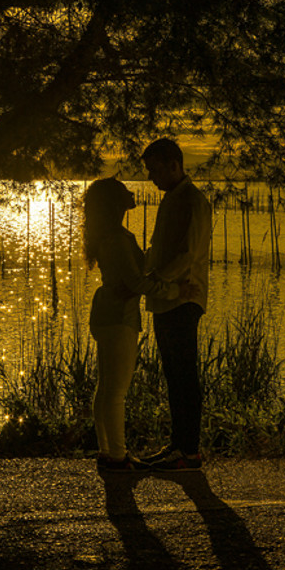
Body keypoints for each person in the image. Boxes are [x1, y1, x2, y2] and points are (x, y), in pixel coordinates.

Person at [83, 177, 197, 473]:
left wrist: (159, 258)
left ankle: (107, 451)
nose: (130, 192)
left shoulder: (113, 235)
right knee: (116, 391)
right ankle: (119, 458)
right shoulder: (117, 238)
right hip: (119, 317)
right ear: (114, 202)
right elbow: (135, 281)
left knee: (105, 387)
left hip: (107, 313)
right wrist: (176, 291)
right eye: (123, 190)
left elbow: (135, 271)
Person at [141, 138, 212, 471]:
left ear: (174, 164)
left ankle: (189, 450)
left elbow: (189, 254)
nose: (151, 178)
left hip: (183, 298)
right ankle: (180, 446)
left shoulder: (193, 201)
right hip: (166, 298)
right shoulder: (172, 199)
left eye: (155, 170)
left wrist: (154, 279)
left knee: (184, 375)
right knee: (173, 374)